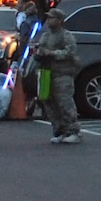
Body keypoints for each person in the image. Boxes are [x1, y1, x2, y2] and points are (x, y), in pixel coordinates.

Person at [36, 8, 81, 143]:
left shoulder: (66, 36)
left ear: (60, 21)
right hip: (47, 75)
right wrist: (39, 53)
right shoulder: (45, 36)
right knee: (50, 104)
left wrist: (52, 53)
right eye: (48, 18)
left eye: (52, 18)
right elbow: (40, 50)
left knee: (65, 104)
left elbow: (70, 52)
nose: (49, 20)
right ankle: (58, 131)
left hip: (63, 74)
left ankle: (73, 131)